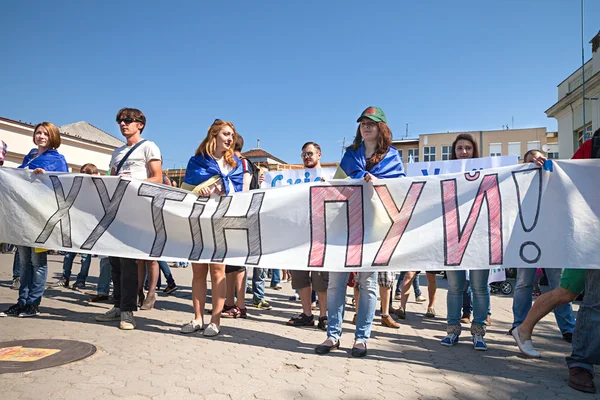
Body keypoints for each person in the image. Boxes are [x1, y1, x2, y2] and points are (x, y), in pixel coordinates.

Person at [315, 106, 404, 357]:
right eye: (363, 123)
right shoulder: (350, 155)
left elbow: (399, 191)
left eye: (371, 123)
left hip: (374, 229)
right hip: (345, 226)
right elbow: (339, 186)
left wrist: (376, 183)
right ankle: (333, 336)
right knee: (335, 284)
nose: (366, 127)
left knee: (368, 284)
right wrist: (329, 184)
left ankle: (362, 338)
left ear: (381, 128)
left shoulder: (392, 157)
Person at [94, 108, 163, 330]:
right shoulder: (116, 152)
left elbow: (157, 177)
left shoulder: (148, 147)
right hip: (117, 211)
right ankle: (117, 305)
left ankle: (128, 311)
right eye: (120, 121)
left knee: (129, 262)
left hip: (137, 210)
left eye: (127, 121)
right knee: (114, 261)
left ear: (140, 124)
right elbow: (112, 179)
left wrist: (133, 186)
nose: (123, 124)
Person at [179, 119, 247, 337]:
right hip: (199, 220)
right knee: (198, 272)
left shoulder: (234, 165)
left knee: (218, 271)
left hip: (221, 222)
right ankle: (197, 318)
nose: (229, 139)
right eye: (226, 134)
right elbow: (187, 189)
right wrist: (200, 191)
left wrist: (222, 187)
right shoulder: (196, 161)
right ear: (214, 135)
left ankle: (215, 320)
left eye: (232, 136)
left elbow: (238, 193)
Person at [510, 150, 576, 355]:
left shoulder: (555, 180)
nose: (536, 164)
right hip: (526, 240)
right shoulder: (518, 185)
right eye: (530, 161)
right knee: (523, 283)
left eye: (539, 159)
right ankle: (519, 325)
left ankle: (568, 328)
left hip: (552, 240)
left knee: (560, 284)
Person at [0, 122, 69, 318]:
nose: (41, 136)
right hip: (22, 217)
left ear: (53, 137)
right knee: (24, 262)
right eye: (38, 133)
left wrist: (45, 177)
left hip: (40, 219)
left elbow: (62, 184)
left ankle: (33, 303)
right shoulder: (30, 156)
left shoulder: (57, 159)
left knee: (38, 262)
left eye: (45, 134)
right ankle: (21, 302)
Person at [440, 133, 491, 350]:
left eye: (467, 148)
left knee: (479, 286)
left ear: (474, 151)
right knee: (454, 287)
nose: (463, 152)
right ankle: (452, 330)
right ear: (454, 152)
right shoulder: (444, 174)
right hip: (453, 236)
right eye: (459, 148)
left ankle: (478, 332)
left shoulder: (488, 172)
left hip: (480, 237)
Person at [562, 131, 600, 394]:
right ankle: (582, 363)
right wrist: (541, 162)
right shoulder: (592, 147)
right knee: (595, 303)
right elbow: (564, 180)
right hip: (596, 238)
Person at [287, 142, 329, 330]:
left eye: (310, 153)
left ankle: (324, 316)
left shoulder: (328, 177)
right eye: (303, 154)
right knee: (300, 277)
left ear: (319, 154)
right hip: (299, 235)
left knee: (320, 279)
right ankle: (307, 314)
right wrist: (264, 180)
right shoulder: (291, 180)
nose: (306, 157)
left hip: (320, 235)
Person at [49, 163, 100, 290]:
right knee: (68, 254)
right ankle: (65, 278)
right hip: (74, 224)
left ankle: (81, 280)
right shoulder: (76, 185)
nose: (81, 174)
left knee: (85, 256)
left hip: (88, 226)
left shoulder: (96, 189)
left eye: (85, 172)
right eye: (81, 171)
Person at [222, 134, 255, 319]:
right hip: (231, 216)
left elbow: (244, 190)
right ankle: (229, 303)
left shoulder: (242, 163)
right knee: (230, 264)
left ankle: (239, 305)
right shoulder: (233, 162)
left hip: (239, 216)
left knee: (238, 264)